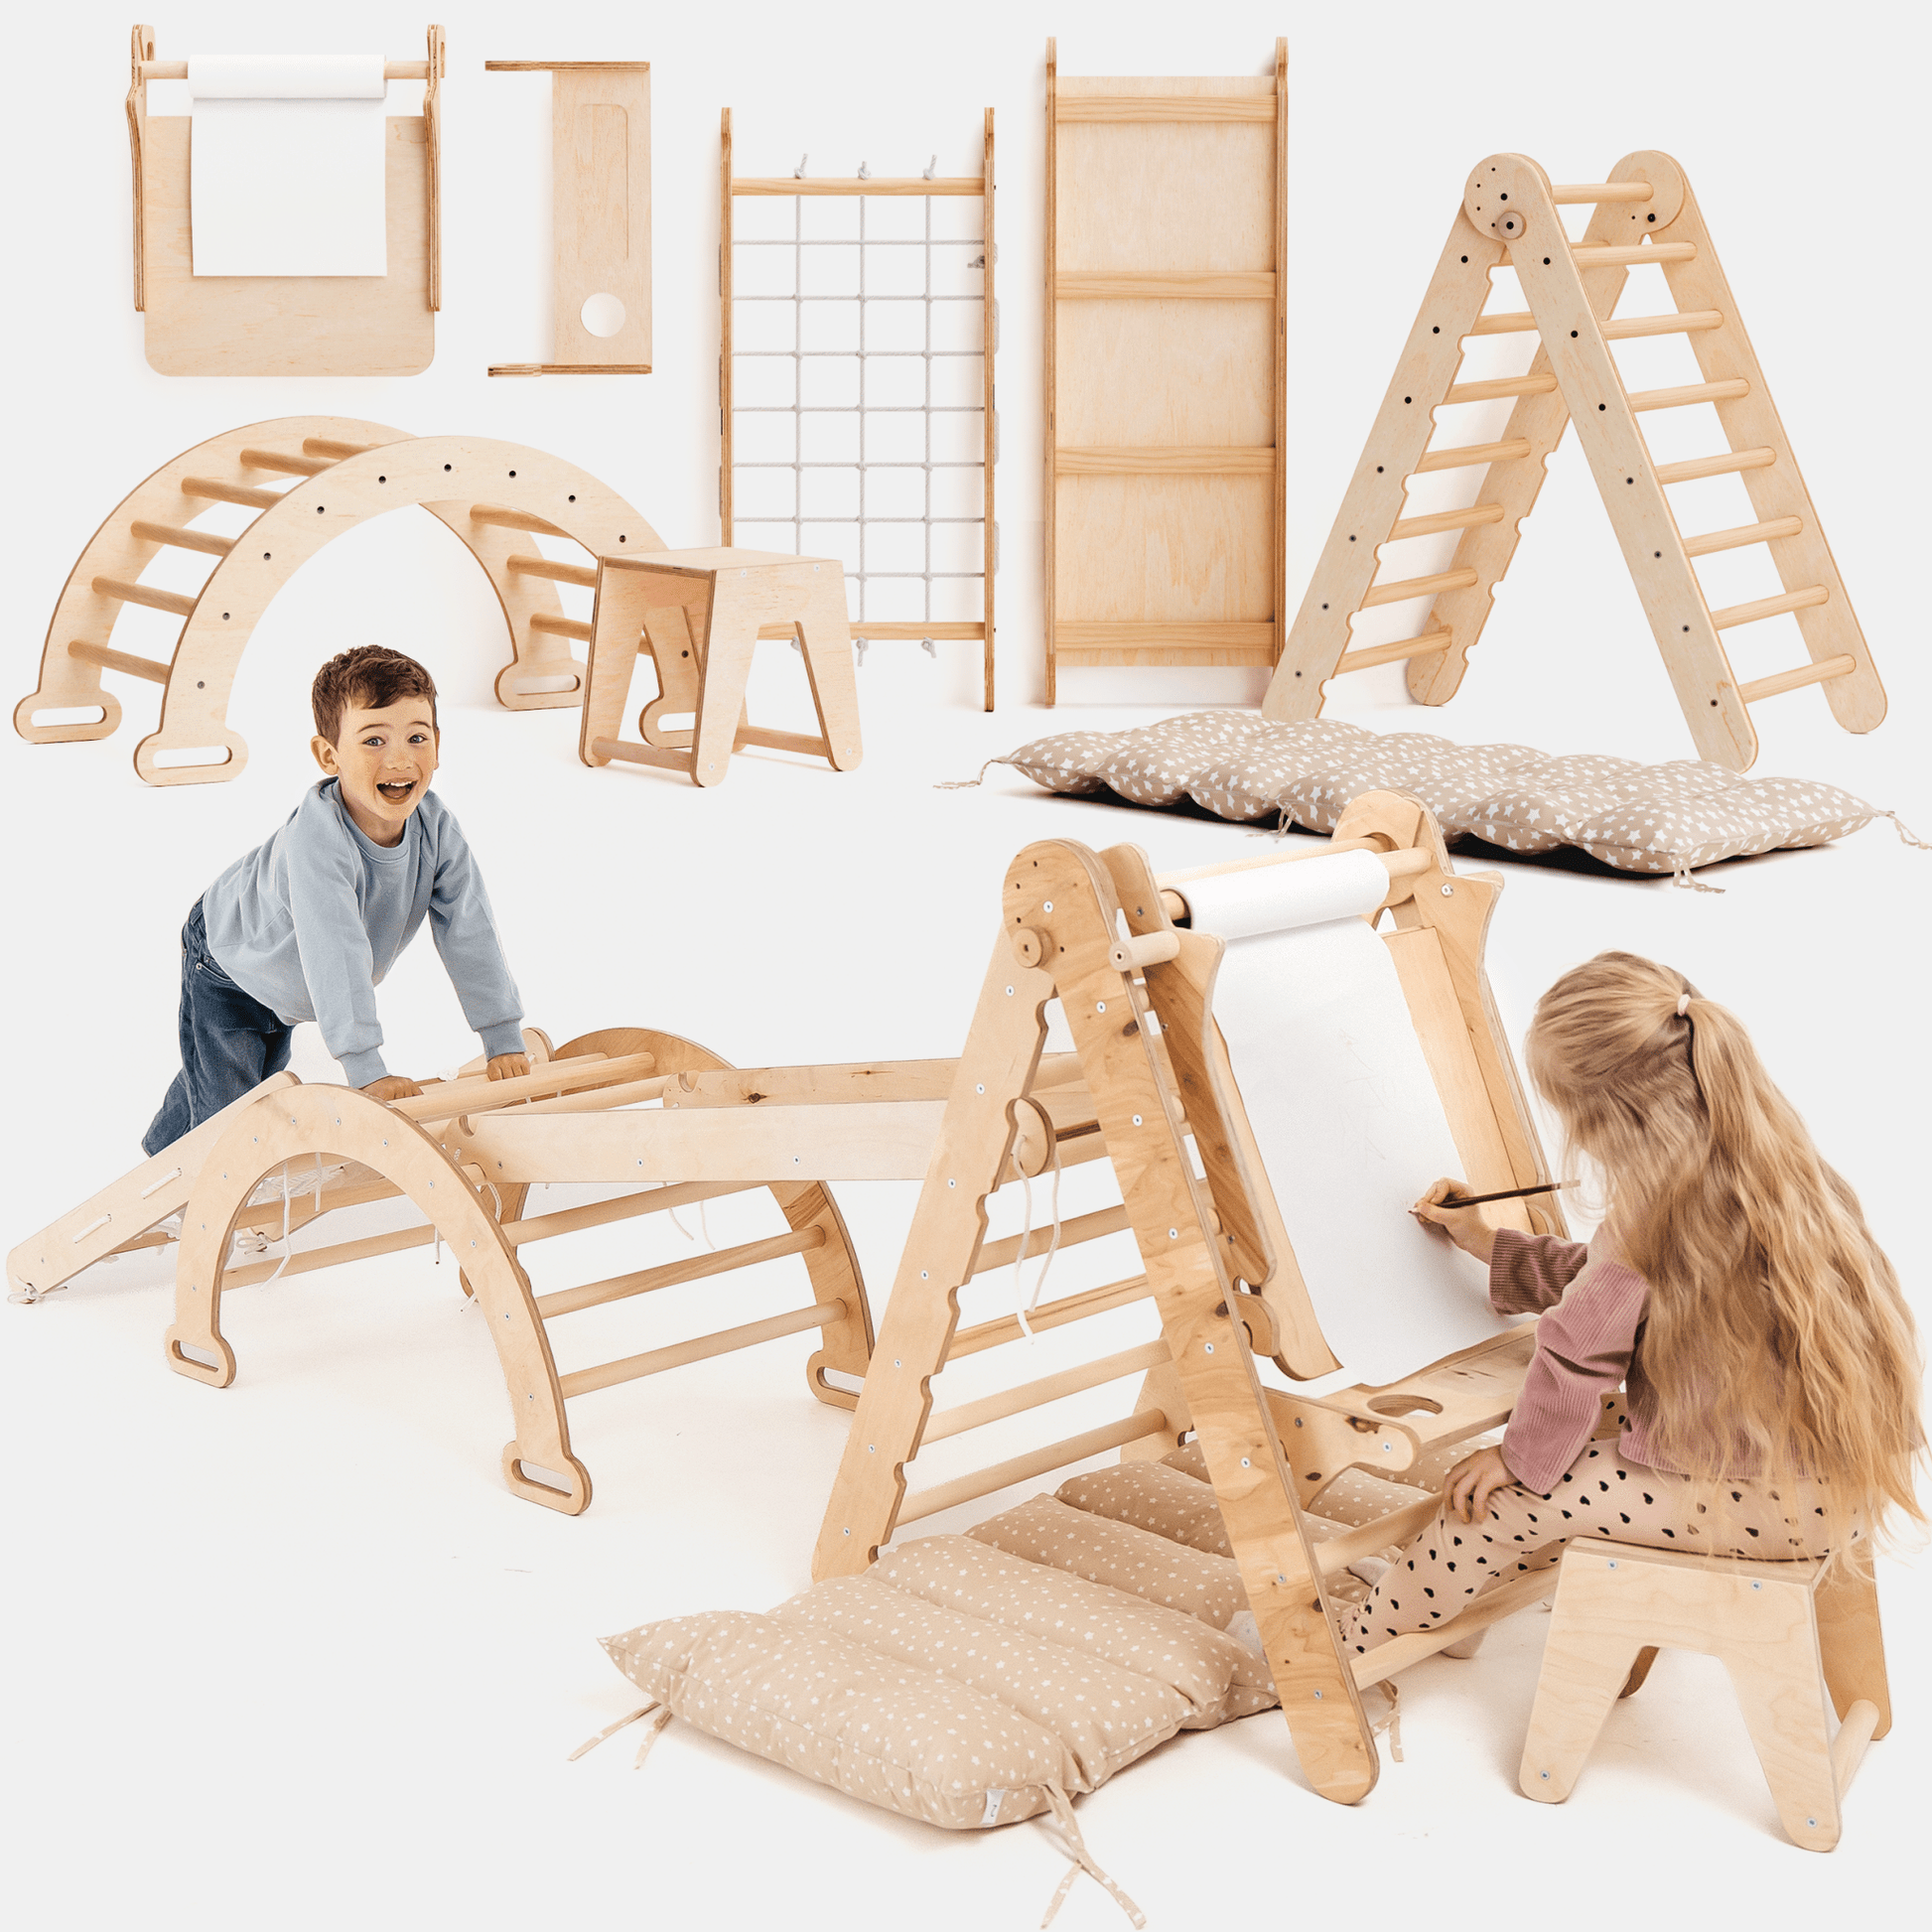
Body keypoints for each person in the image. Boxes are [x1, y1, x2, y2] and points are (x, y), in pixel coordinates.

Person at [1347, 950, 1924, 1656]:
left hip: (1762, 1505)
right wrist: (1487, 1244)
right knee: (1572, 1450)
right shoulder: (1785, 1176)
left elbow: (1575, 1353)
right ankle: (1453, 1602)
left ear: (1605, 1121)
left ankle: (1355, 1640)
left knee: (1502, 1497)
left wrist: (1516, 1459)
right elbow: (1605, 1286)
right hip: (1841, 1491)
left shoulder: (1652, 1221)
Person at [143, 645, 529, 1162]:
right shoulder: (319, 840)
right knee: (233, 1115)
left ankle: (161, 1152)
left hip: (288, 983)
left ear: (438, 745)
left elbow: (469, 929)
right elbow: (336, 949)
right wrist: (366, 1069)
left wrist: (501, 1034)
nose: (399, 760)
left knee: (248, 1075)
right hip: (228, 960)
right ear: (329, 756)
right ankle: (181, 1184)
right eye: (373, 740)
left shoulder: (437, 830)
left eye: (417, 737)